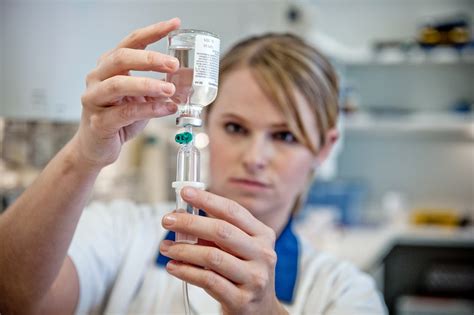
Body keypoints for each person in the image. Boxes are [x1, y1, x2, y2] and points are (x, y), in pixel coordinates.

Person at [0, 17, 386, 314]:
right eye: (235, 127)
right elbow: (14, 301)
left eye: (284, 136)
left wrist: (264, 310)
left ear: (324, 147)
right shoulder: (124, 233)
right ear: (206, 119)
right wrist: (82, 156)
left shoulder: (344, 291)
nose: (254, 158)